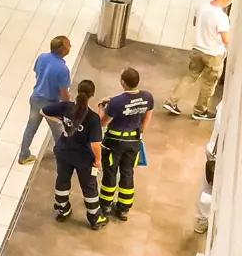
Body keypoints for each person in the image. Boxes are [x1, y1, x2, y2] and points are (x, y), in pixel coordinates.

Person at [43, 79, 106, 229]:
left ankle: (62, 210)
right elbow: (95, 144)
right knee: (89, 186)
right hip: (83, 158)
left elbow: (43, 111)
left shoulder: (66, 107)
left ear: (77, 91)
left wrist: (61, 122)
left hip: (64, 151)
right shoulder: (92, 118)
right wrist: (98, 160)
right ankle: (95, 219)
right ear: (92, 95)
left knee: (62, 180)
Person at [165, 0, 233, 120]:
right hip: (213, 54)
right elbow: (226, 40)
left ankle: (171, 102)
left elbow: (196, 22)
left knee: (190, 77)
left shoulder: (202, 6)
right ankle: (200, 111)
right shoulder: (221, 16)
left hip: (197, 49)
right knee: (208, 83)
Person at [98, 68, 154, 221]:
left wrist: (102, 108)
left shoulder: (116, 102)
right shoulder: (147, 97)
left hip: (114, 142)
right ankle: (124, 209)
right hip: (133, 142)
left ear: (123, 82)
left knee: (110, 173)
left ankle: (105, 205)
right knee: (127, 172)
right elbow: (146, 119)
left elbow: (103, 122)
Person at [19, 36, 72, 164]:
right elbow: (64, 93)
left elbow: (37, 73)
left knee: (31, 126)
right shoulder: (62, 69)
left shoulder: (42, 57)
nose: (70, 48)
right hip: (51, 104)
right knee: (58, 131)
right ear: (63, 49)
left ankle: (24, 155)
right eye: (69, 46)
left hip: (36, 98)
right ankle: (63, 157)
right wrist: (67, 107)